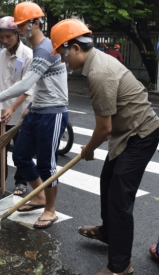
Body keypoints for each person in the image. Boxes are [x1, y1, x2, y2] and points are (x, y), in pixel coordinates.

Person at [50, 19, 159, 275]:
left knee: (120, 199)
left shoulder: (99, 72)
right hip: (126, 133)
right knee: (107, 181)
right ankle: (109, 233)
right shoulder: (95, 63)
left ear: (75, 47)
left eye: (63, 53)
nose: (63, 59)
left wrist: (87, 150)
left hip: (141, 134)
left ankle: (120, 266)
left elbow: (103, 129)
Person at [0, 2, 69, 229]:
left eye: (22, 24)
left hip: (53, 112)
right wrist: (28, 106)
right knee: (20, 156)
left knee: (47, 165)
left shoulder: (45, 50)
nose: (19, 28)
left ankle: (50, 209)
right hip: (36, 110)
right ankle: (39, 196)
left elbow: (25, 84)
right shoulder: (34, 49)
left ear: (36, 23)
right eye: (17, 24)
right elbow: (36, 85)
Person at [0, 16, 34, 196]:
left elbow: (27, 87)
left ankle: (21, 182)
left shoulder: (27, 55)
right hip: (1, 110)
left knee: (21, 151)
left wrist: (12, 108)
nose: (4, 41)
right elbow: (2, 83)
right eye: (1, 37)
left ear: (17, 34)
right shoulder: (2, 54)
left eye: (8, 37)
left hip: (20, 112)